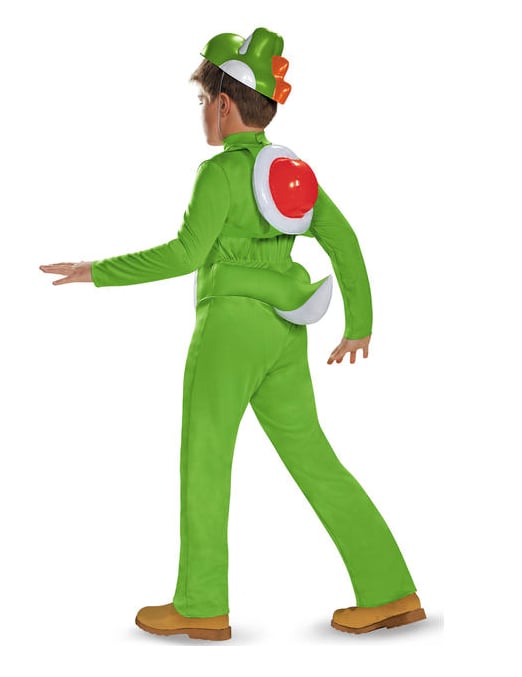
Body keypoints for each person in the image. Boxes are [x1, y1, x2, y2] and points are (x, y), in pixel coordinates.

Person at [40, 27, 426, 641]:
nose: (202, 113)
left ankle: (201, 605)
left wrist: (97, 271)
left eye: (202, 102)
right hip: (285, 331)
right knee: (315, 460)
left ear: (224, 104)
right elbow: (344, 240)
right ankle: (389, 590)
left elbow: (184, 255)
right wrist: (359, 324)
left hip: (228, 332)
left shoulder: (218, 174)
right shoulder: (291, 172)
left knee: (205, 459)